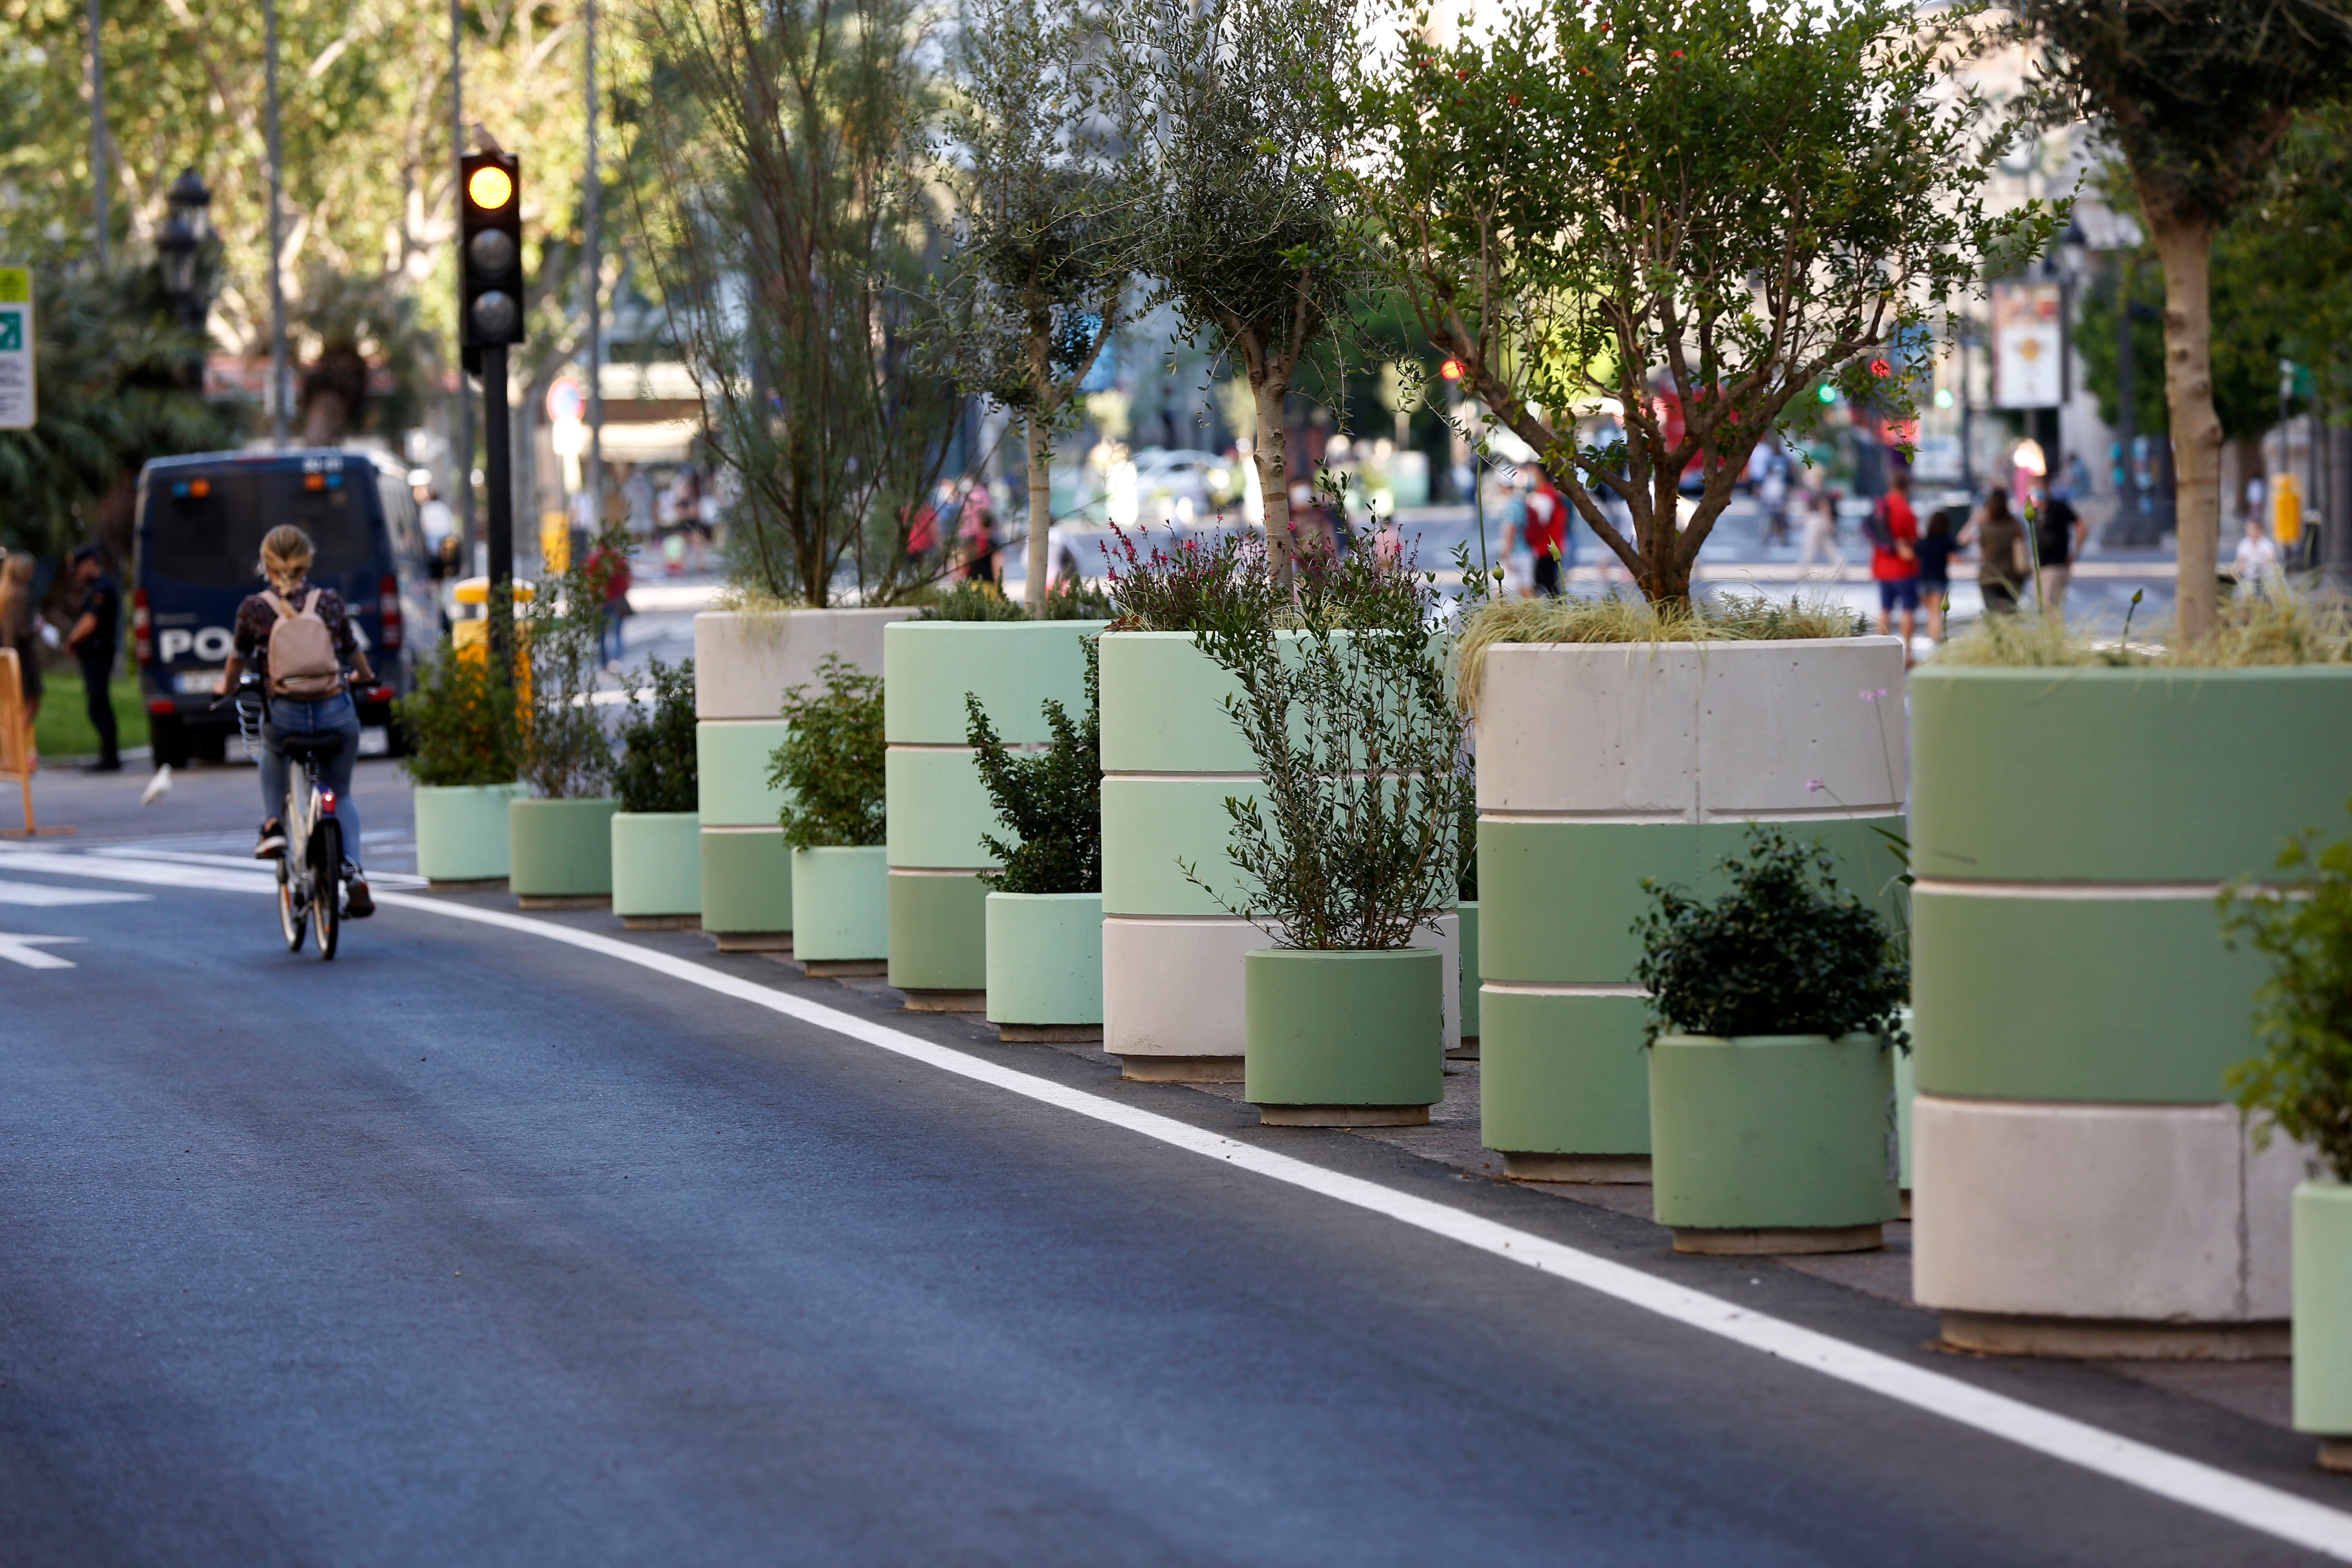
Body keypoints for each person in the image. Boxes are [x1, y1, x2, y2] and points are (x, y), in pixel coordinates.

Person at [213, 526, 378, 917]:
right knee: (343, 792)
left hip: (285, 717)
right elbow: (354, 654)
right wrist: (366, 678)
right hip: (336, 714)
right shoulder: (331, 602)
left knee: (271, 745)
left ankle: (273, 825)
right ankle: (352, 870)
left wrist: (224, 688)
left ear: (266, 564)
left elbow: (236, 660)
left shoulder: (253, 608)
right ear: (308, 560)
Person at [62, 544, 121, 773]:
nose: (77, 573)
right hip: (93, 655)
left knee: (98, 704)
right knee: (97, 704)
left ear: (89, 563)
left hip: (99, 654)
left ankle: (110, 757)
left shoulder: (102, 588)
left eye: (78, 568)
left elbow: (90, 622)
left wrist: (71, 641)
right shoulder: (95, 588)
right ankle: (108, 755)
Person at [1866, 468, 1920, 659]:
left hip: (1882, 567)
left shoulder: (1880, 507)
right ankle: (1908, 654)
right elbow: (1914, 539)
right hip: (1904, 569)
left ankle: (1882, 653)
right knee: (1908, 610)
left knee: (1885, 610)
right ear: (1907, 487)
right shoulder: (1905, 510)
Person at [1, 551, 44, 752]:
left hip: (7, 655)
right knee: (31, 702)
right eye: (29, 569)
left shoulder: (5, 593)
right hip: (20, 656)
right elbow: (22, 631)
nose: (32, 573)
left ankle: (12, 750)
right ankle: (13, 749)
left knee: (13, 705)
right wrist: (37, 626)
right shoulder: (20, 595)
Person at [1964, 486, 2028, 616]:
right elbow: (2023, 544)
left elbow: (1964, 539)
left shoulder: (1984, 526)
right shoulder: (2015, 525)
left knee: (1993, 615)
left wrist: (1975, 518)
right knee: (2010, 615)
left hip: (1989, 577)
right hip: (2013, 576)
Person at [2034, 484, 2087, 616]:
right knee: (2045, 610)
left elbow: (2082, 526)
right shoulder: (2035, 512)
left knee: (2051, 610)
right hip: (2041, 566)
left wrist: (2075, 552)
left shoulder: (2059, 508)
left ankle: (2054, 636)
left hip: (2056, 566)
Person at [585, 532, 633, 669]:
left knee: (601, 636)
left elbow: (588, 581)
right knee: (617, 632)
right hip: (616, 601)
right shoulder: (618, 561)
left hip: (600, 602)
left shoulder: (594, 561)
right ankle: (616, 660)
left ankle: (604, 663)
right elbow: (625, 580)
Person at [1915, 507, 1963, 644]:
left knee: (1930, 612)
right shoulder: (1946, 541)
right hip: (1938, 579)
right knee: (1937, 612)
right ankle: (1936, 638)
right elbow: (1954, 559)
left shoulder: (1924, 542)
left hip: (1922, 580)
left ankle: (1932, 634)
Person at [1523, 463, 1570, 596]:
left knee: (1546, 585)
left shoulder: (1546, 495)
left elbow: (1541, 521)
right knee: (1546, 584)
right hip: (1547, 546)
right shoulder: (1546, 493)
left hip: (1547, 547)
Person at [1794, 484, 1842, 572]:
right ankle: (1841, 566)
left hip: (1817, 520)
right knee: (1827, 546)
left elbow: (1824, 507)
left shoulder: (1819, 492)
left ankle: (1803, 568)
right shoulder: (1809, 492)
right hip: (1813, 519)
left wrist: (1828, 522)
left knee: (1810, 545)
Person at [2234, 515, 2281, 588]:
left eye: (2253, 529)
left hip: (2266, 575)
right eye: (2249, 529)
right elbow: (2240, 561)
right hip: (2250, 576)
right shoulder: (2244, 544)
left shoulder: (2266, 543)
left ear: (2260, 530)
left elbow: (2271, 558)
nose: (2251, 531)